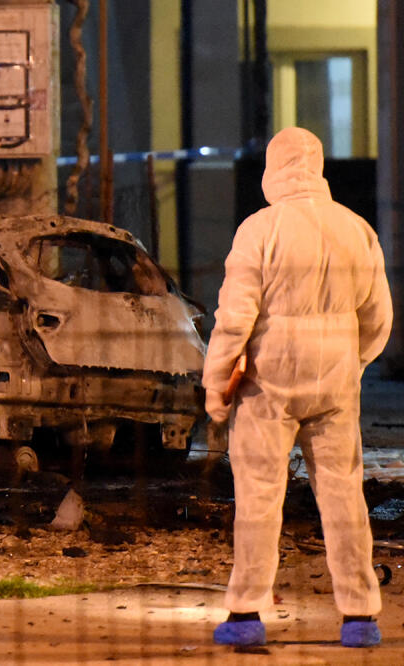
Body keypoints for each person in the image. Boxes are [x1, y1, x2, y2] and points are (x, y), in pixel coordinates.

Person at [203, 127, 392, 648]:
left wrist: (216, 383)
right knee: (344, 496)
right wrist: (350, 363)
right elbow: (379, 318)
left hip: (270, 381)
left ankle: (245, 612)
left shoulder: (259, 230)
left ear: (273, 168)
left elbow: (233, 318)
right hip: (334, 380)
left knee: (259, 496)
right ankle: (360, 617)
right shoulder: (356, 229)